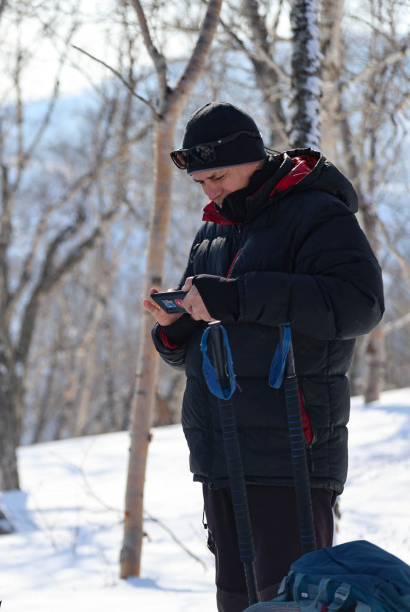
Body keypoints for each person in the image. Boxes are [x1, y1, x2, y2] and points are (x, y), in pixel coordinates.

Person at [144, 102, 385, 612]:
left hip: (290, 448)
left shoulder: (316, 212)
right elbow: (216, 332)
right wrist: (176, 331)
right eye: (200, 183)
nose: (209, 192)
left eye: (219, 176)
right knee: (237, 602)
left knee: (292, 600)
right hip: (222, 447)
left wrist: (238, 296)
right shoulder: (215, 228)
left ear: (252, 159)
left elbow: (360, 305)